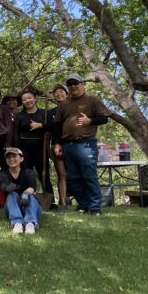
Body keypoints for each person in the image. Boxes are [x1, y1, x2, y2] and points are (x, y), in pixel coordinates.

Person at [52, 73, 110, 215]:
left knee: (89, 175)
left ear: (82, 83)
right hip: (67, 145)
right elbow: (57, 126)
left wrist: (90, 121)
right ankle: (83, 205)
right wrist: (57, 144)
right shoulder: (64, 105)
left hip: (85, 144)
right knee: (73, 177)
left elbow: (104, 118)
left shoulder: (92, 100)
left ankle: (95, 207)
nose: (73, 86)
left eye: (75, 83)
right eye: (70, 84)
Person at [9, 90, 53, 197]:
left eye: (29, 98)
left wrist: (41, 125)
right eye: (24, 99)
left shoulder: (44, 113)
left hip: (40, 148)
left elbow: (53, 127)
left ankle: (50, 200)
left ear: (35, 99)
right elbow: (15, 134)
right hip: (24, 149)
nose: (27, 101)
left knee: (44, 174)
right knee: (26, 174)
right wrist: (17, 150)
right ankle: (27, 197)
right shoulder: (19, 116)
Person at [0, 147, 42, 234]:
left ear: (21, 158)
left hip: (30, 205)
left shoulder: (29, 172)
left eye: (14, 156)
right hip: (12, 208)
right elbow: (2, 185)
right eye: (8, 157)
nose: (11, 159)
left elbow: (32, 187)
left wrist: (25, 193)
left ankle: (30, 223)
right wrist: (7, 188)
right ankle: (17, 223)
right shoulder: (2, 174)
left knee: (31, 196)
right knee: (12, 195)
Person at [49, 84, 69, 208]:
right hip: (57, 146)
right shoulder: (51, 112)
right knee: (61, 174)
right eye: (56, 92)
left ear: (67, 94)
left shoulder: (74, 108)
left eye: (61, 91)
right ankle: (62, 202)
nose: (58, 94)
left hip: (73, 144)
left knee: (76, 172)